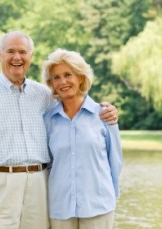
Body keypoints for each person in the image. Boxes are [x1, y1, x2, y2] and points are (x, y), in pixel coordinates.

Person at [0, 31, 119, 229]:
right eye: (10, 51)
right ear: (0, 55)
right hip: (1, 183)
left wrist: (106, 110)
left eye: (22, 52)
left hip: (40, 183)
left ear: (30, 57)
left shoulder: (44, 96)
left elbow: (74, 106)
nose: (17, 57)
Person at [42, 49, 123, 229]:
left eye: (67, 75)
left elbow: (115, 160)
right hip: (60, 206)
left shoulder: (104, 115)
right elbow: (47, 163)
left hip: (98, 205)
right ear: (51, 83)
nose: (62, 81)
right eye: (56, 77)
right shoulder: (48, 119)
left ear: (80, 77)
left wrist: (110, 195)